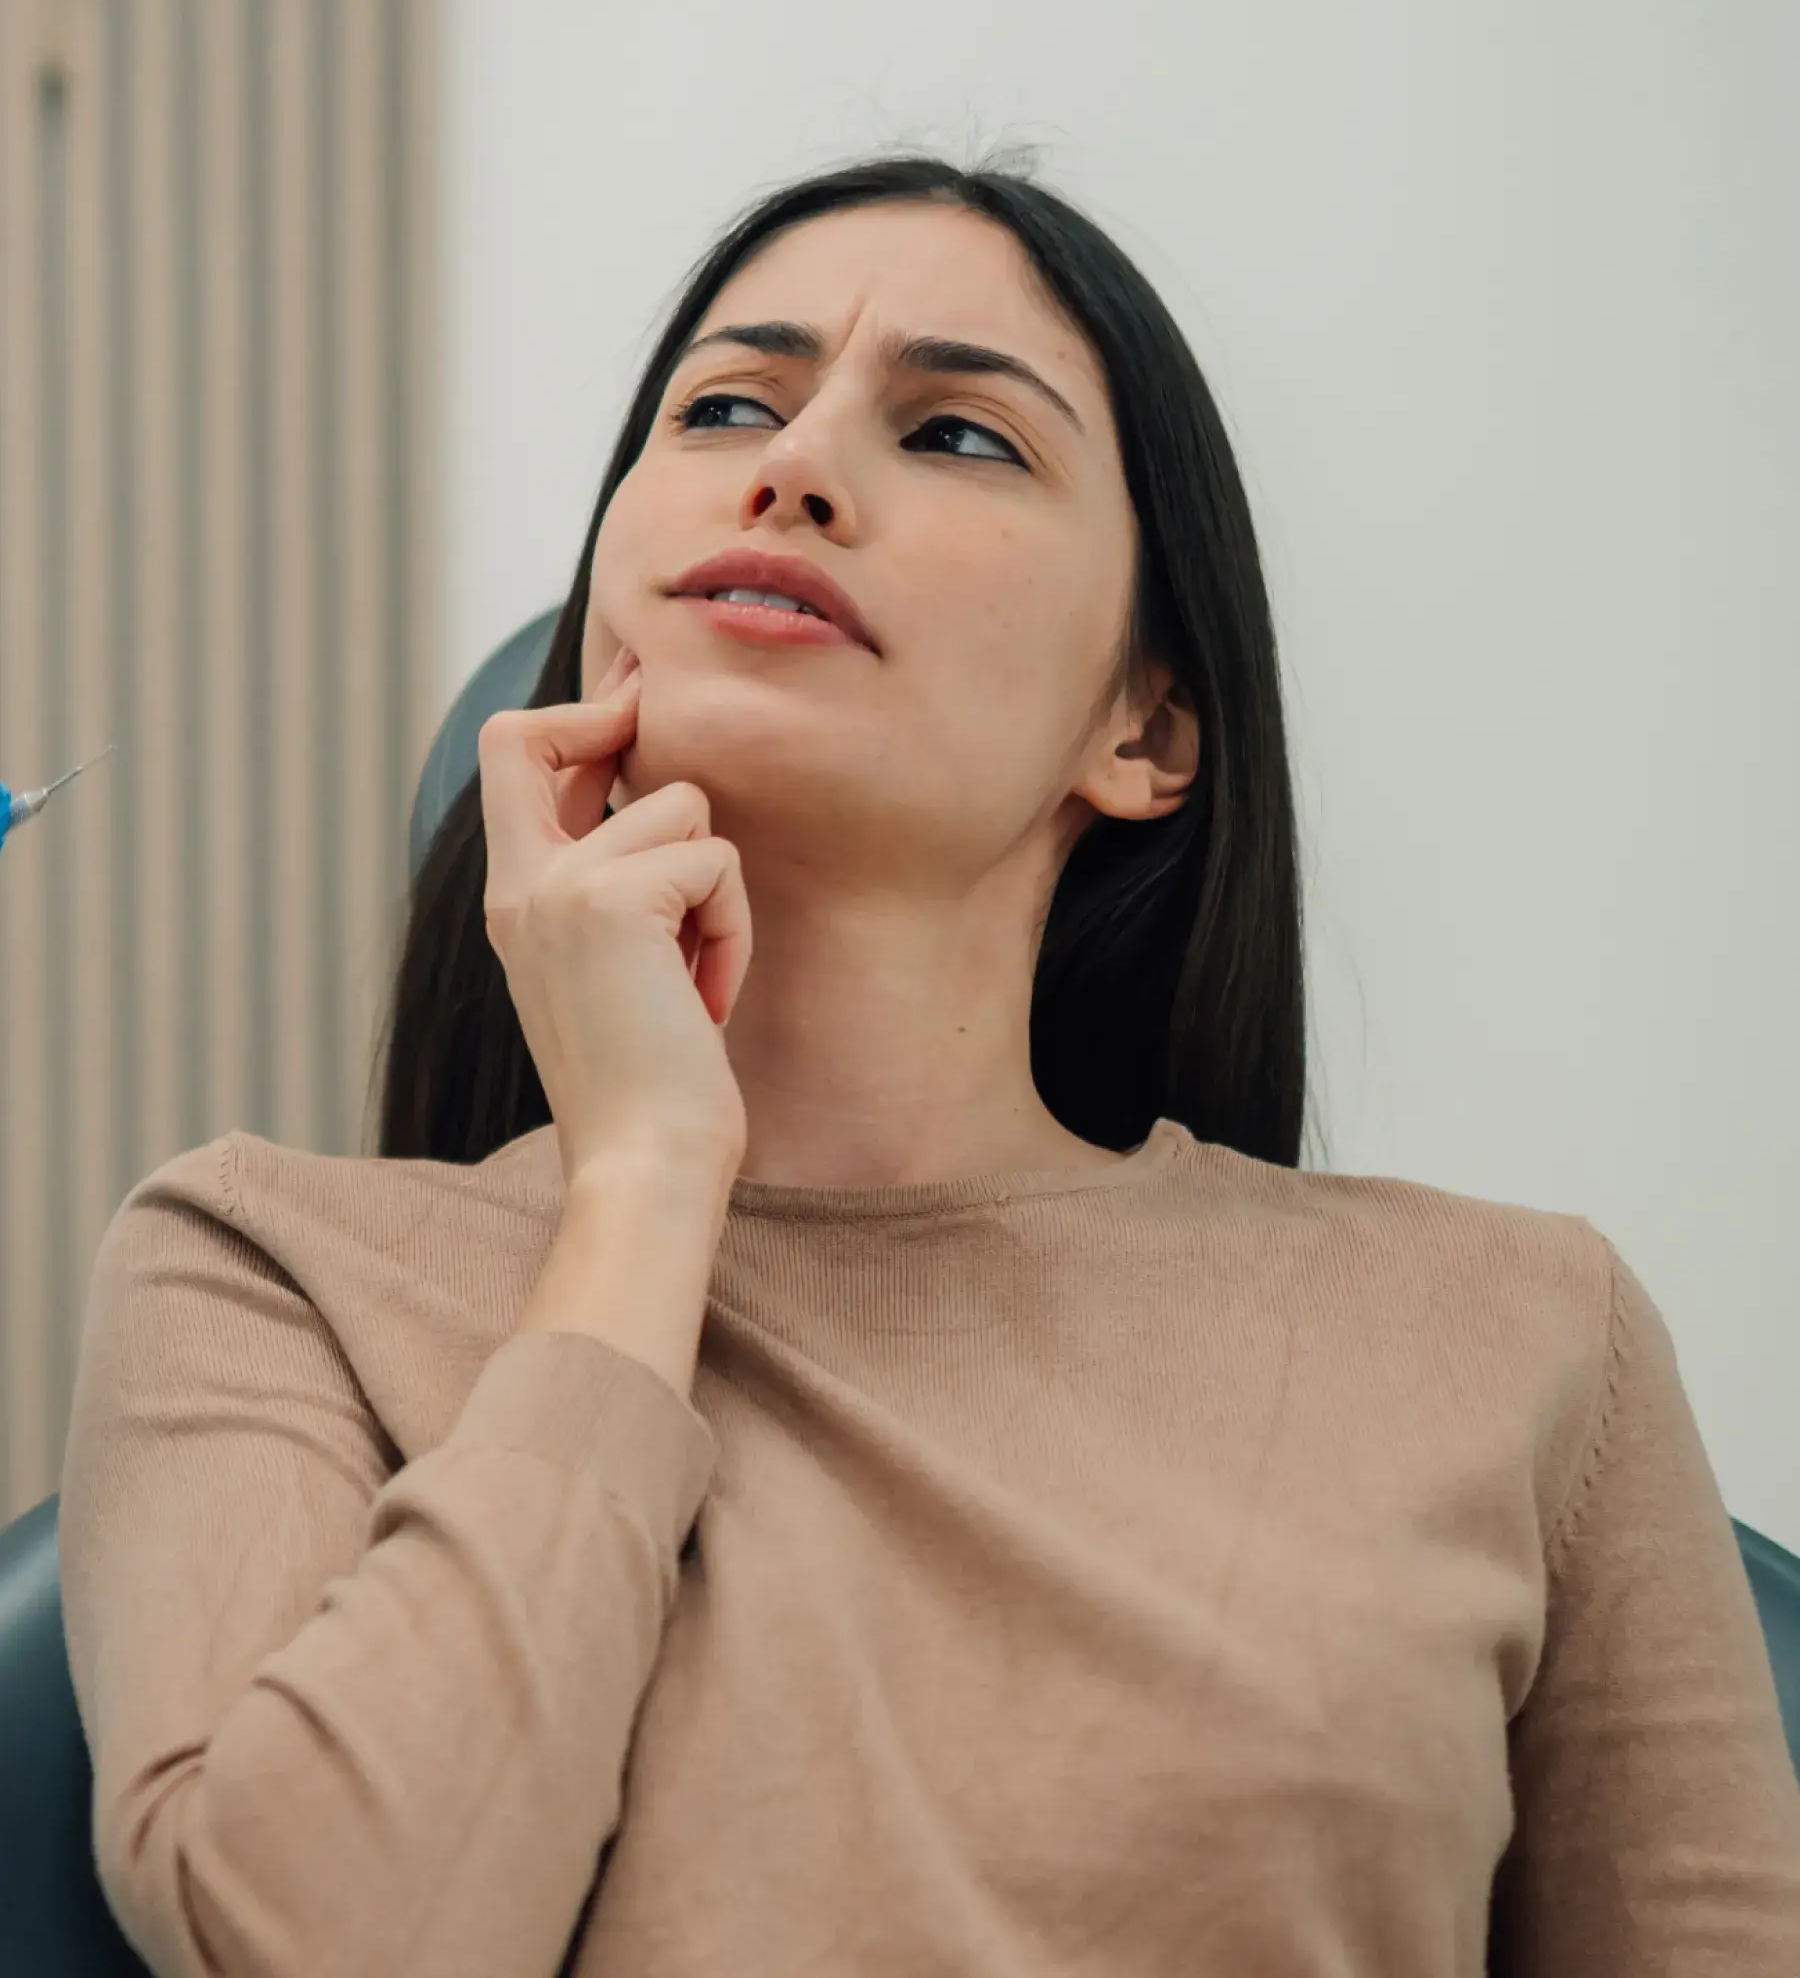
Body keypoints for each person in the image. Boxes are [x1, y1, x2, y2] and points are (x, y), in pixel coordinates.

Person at [58, 151, 1799, 1978]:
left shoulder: (1527, 1334)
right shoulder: (267, 1271)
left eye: (961, 435)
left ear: (1149, 728)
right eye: (727, 402)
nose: (792, 463)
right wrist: (646, 1180)